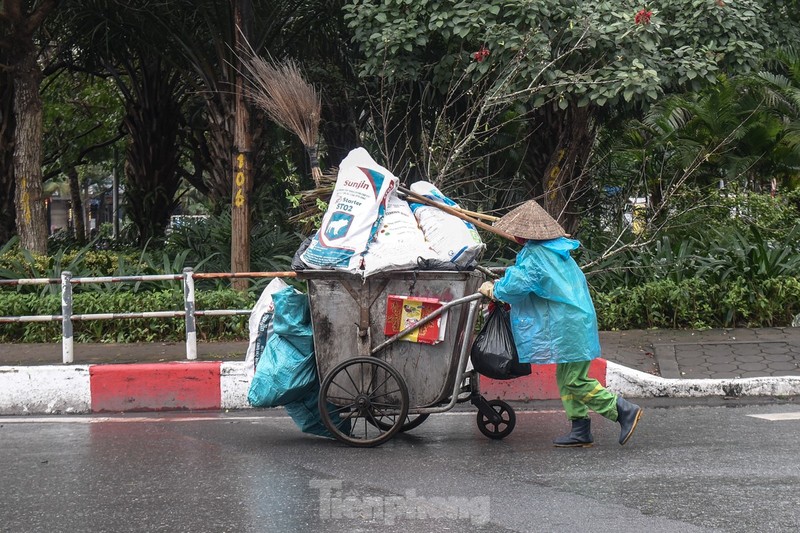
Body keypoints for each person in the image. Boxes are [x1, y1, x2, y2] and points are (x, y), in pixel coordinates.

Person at [478, 200, 642, 447]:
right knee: (567, 379)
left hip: (567, 323)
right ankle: (580, 428)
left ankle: (622, 410)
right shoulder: (554, 248)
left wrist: (494, 289)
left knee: (574, 380)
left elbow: (517, 285)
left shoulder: (536, 255)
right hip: (572, 319)